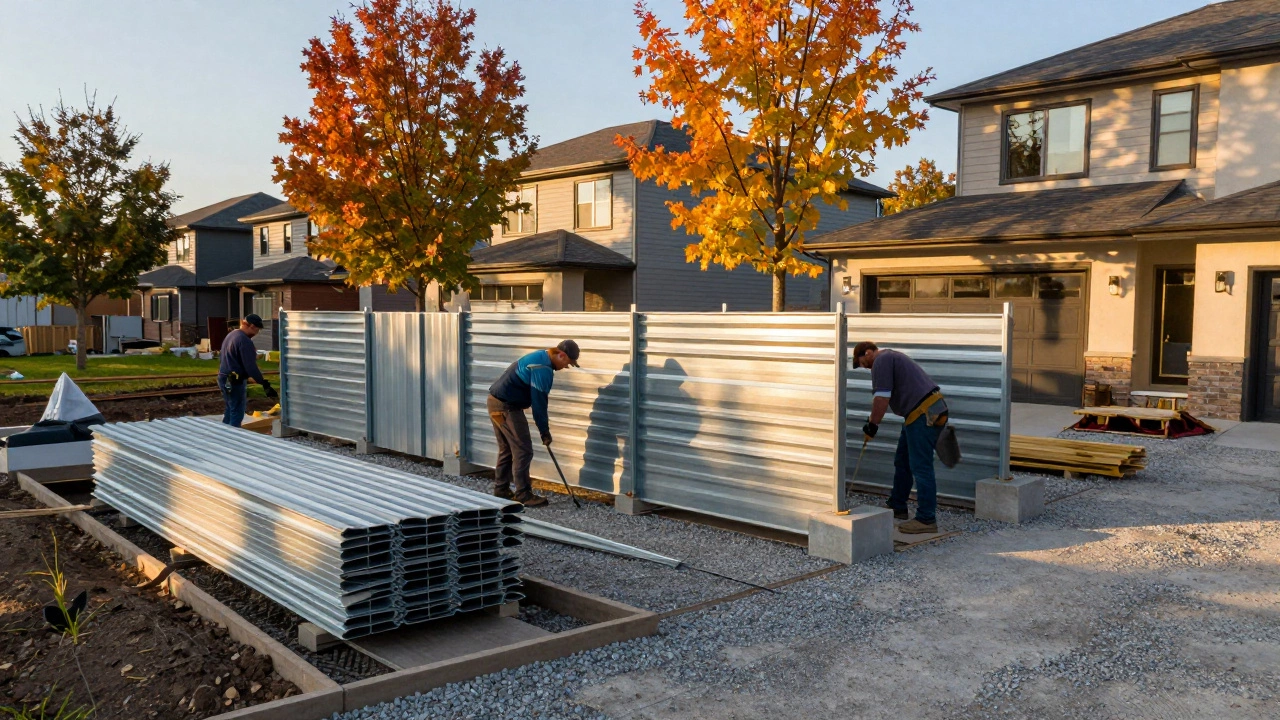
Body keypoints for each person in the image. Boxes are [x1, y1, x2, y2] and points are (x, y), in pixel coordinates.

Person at [854, 341, 949, 534]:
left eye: (863, 363)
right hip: (920, 412)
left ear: (868, 352)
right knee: (903, 461)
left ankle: (926, 519)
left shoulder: (881, 360)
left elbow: (881, 397)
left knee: (921, 466)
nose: (866, 368)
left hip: (924, 413)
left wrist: (873, 424)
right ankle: (898, 505)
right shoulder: (890, 357)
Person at [487, 340, 580, 507]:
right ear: (561, 355)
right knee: (523, 450)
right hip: (507, 407)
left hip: (494, 402)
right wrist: (544, 431)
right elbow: (539, 403)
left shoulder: (541, 356)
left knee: (507, 449)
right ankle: (523, 494)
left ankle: (501, 489)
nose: (566, 367)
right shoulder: (543, 368)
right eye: (568, 363)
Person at [218, 314, 277, 428]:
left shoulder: (232, 335)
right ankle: (233, 438)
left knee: (230, 408)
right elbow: (250, 367)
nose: (257, 333)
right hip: (235, 380)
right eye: (258, 329)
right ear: (252, 326)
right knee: (237, 411)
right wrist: (263, 383)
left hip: (223, 377)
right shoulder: (244, 341)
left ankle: (224, 435)